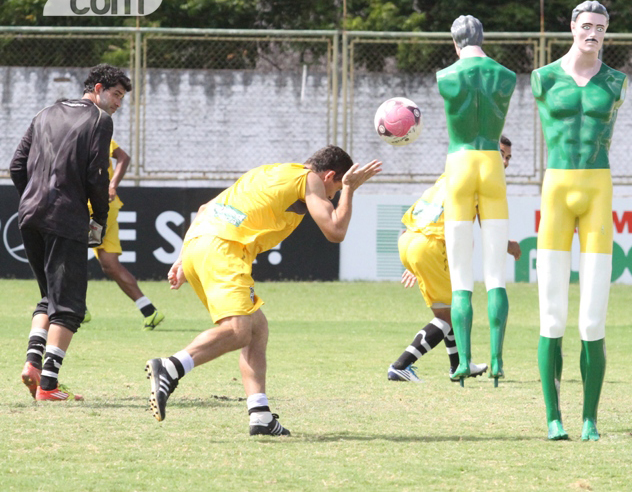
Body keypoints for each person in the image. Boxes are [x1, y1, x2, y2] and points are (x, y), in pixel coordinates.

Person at [146, 146, 381, 436]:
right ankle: (170, 367)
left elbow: (205, 208)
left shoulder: (270, 171)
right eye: (330, 193)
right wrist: (348, 189)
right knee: (238, 331)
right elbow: (335, 230)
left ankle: (260, 415)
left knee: (257, 329)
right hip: (225, 249)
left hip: (200, 242)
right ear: (330, 175)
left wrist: (183, 258)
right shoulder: (311, 180)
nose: (328, 198)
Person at [531, 1, 627, 441]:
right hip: (556, 190)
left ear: (607, 32)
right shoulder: (544, 77)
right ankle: (554, 417)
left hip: (597, 192)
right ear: (571, 27)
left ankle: (589, 418)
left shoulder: (616, 81)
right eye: (586, 25)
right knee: (551, 316)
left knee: (592, 320)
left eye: (600, 27)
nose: (592, 32)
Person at [11, 64, 131, 401]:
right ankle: (48, 386)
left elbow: (17, 165)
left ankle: (33, 364)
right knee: (70, 306)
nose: (118, 103)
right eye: (116, 94)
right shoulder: (99, 120)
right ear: (97, 89)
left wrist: (33, 198)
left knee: (49, 295)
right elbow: (97, 174)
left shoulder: (45, 112)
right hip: (65, 218)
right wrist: (99, 218)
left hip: (30, 214)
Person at [388, 138, 521, 383]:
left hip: (410, 239)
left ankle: (459, 365)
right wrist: (509, 246)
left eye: (508, 157)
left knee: (448, 307)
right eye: (500, 154)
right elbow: (490, 229)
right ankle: (401, 365)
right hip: (428, 245)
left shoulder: (450, 174)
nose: (504, 161)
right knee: (449, 316)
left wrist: (415, 261)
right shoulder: (481, 183)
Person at [437, 15, 517, 384]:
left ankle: (463, 362)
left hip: (459, 164)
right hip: (491, 163)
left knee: (460, 276)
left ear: (455, 43)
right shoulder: (506, 76)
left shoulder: (446, 76)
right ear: (484, 37)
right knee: (496, 274)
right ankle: (497, 360)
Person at [87, 139, 164, 330]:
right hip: (105, 206)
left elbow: (123, 157)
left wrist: (112, 185)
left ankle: (76, 308)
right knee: (110, 264)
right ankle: (149, 311)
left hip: (95, 207)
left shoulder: (92, 131)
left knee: (71, 253)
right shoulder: (84, 129)